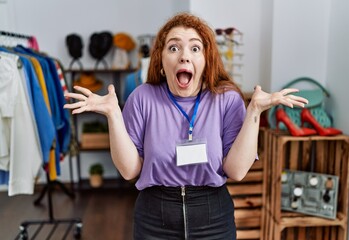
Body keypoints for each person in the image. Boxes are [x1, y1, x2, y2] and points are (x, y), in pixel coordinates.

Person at [64, 12, 308, 240]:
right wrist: (113, 115)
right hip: (154, 215)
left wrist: (254, 111)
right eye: (173, 47)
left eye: (195, 47)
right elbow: (129, 171)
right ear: (160, 61)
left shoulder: (227, 99)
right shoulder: (142, 98)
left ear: (205, 61)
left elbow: (236, 171)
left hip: (213, 215)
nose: (184, 55)